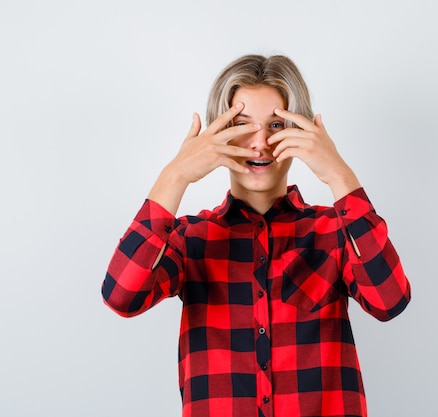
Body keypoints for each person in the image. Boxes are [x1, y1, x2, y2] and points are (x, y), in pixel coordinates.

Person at [102, 54, 411, 417]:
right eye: (242, 124)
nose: (260, 142)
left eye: (278, 124)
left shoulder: (336, 232)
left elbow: (389, 301)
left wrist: (340, 176)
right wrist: (176, 175)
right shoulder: (189, 239)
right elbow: (122, 296)